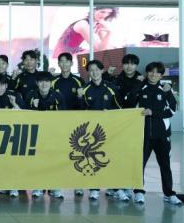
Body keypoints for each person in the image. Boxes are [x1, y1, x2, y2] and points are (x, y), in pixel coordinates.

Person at [133, 62, 181, 205]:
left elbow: (171, 111)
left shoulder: (165, 89)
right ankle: (139, 192)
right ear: (147, 73)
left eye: (157, 73)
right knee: (139, 164)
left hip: (162, 136)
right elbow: (129, 105)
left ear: (161, 75)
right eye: (151, 72)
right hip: (143, 135)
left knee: (165, 165)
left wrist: (152, 112)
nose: (154, 75)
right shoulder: (141, 88)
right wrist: (137, 84)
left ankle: (169, 194)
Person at [77, 59, 123, 201]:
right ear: (88, 73)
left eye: (97, 70)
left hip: (110, 130)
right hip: (92, 133)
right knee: (93, 160)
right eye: (91, 70)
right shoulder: (84, 89)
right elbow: (79, 111)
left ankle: (115, 188)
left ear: (102, 71)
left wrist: (109, 112)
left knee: (112, 159)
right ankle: (94, 189)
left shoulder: (112, 88)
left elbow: (120, 108)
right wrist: (79, 97)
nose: (94, 73)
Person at [26, 71, 66, 200]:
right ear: (37, 83)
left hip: (53, 134)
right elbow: (25, 115)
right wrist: (34, 107)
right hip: (36, 135)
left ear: (51, 83)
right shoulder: (30, 95)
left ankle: (55, 187)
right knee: (38, 161)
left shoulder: (58, 96)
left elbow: (62, 115)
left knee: (54, 160)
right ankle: (38, 186)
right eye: (41, 81)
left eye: (47, 81)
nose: (44, 84)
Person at [52, 52, 85, 197]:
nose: (64, 64)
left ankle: (78, 185)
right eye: (61, 61)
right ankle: (56, 185)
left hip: (75, 124)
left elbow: (84, 104)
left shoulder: (79, 81)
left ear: (71, 63)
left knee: (77, 154)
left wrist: (79, 97)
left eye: (67, 61)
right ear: (58, 64)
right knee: (57, 155)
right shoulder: (53, 81)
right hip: (57, 125)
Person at [0, 73, 24, 198]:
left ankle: (13, 186)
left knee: (12, 162)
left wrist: (14, 104)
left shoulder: (15, 95)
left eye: (2, 85)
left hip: (12, 135)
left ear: (6, 85)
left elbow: (25, 115)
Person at [52, 7, 118, 58]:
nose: (105, 15)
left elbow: (104, 45)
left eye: (109, 13)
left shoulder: (97, 24)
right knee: (98, 55)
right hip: (62, 54)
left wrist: (116, 50)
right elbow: (99, 48)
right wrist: (109, 33)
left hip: (73, 51)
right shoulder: (83, 24)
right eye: (102, 12)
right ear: (93, 10)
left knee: (106, 54)